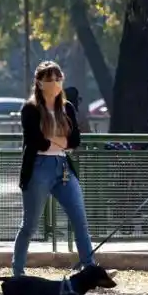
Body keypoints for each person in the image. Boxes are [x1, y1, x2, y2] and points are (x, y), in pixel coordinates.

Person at [13, 61, 95, 276]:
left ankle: (90, 268)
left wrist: (56, 140)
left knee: (80, 219)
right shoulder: (30, 109)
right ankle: (18, 272)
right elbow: (37, 141)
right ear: (39, 83)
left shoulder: (67, 107)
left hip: (63, 166)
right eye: (50, 79)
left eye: (58, 79)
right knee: (29, 225)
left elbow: (75, 139)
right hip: (39, 167)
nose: (55, 83)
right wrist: (59, 140)